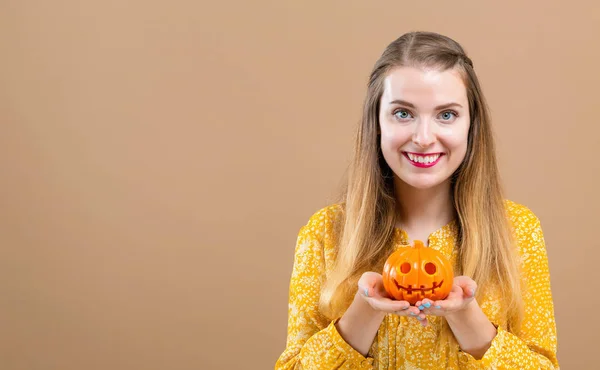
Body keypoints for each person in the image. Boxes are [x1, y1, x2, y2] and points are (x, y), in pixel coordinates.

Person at [274, 31, 558, 369]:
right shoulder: (325, 234)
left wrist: (467, 316)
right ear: (377, 124)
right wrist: (365, 309)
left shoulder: (518, 232)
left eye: (447, 114)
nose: (423, 138)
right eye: (403, 114)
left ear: (471, 126)